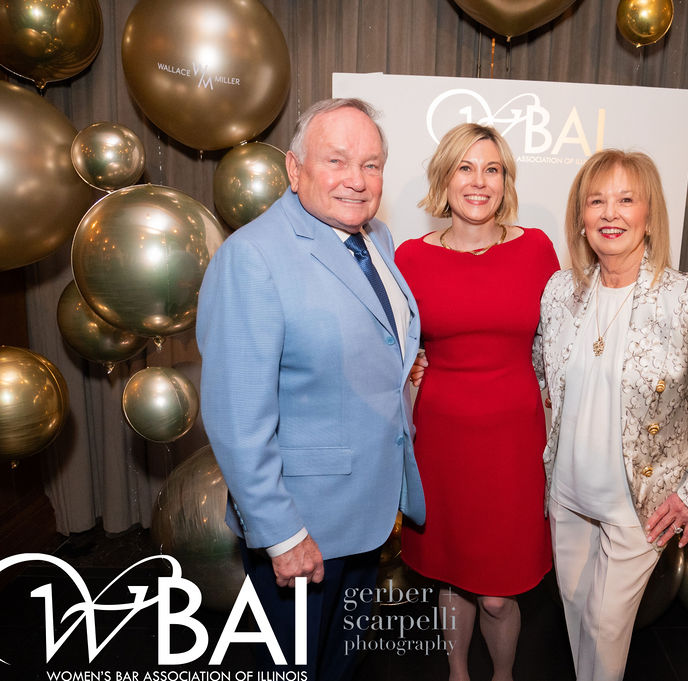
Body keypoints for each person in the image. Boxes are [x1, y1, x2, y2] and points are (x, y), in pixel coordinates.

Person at [196, 98, 425, 679]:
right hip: (304, 527)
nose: (357, 180)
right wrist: (280, 535)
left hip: (364, 513)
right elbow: (235, 415)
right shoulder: (252, 257)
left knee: (338, 667)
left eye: (372, 164)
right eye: (338, 161)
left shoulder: (378, 239)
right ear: (295, 170)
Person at [536, 149, 688, 681]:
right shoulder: (559, 293)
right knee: (576, 617)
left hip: (640, 505)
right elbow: (543, 374)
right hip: (566, 496)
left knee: (605, 629)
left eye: (627, 199)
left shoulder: (687, 301)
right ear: (580, 217)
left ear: (650, 214)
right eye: (596, 200)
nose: (610, 213)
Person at [394, 123, 560, 681]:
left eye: (491, 169)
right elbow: (389, 344)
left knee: (496, 593)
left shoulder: (537, 248)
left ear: (505, 181)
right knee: (450, 571)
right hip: (442, 439)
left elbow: (561, 342)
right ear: (445, 178)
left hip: (514, 442)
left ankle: (504, 676)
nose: (479, 181)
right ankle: (458, 672)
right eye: (465, 167)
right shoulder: (410, 257)